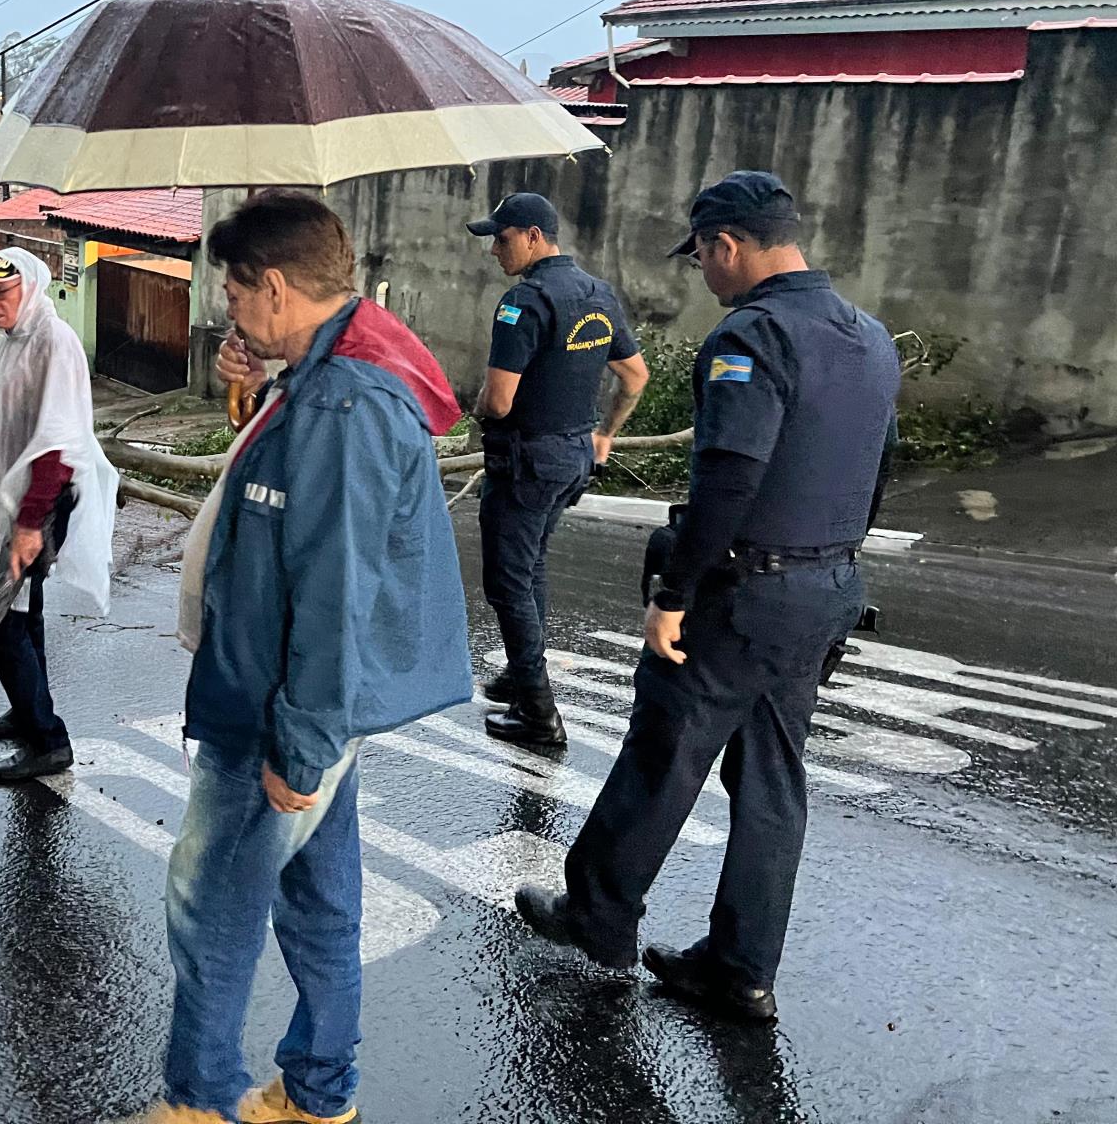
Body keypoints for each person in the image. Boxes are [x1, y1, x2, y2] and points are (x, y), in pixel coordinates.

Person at [117, 191, 472, 1124]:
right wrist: (261, 377)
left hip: (283, 700)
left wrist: (301, 742)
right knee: (317, 898)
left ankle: (197, 1102)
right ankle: (319, 1093)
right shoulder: (335, 362)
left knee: (212, 903)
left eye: (235, 291)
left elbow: (334, 587)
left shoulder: (345, 404)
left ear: (273, 285)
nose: (227, 308)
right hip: (305, 694)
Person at [514, 171, 900, 1024]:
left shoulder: (752, 338)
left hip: (744, 592)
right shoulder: (870, 336)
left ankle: (598, 917)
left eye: (702, 259)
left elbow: (730, 476)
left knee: (665, 750)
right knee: (773, 780)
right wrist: (830, 563)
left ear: (727, 245)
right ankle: (741, 968)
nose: (702, 274)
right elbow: (879, 468)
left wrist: (675, 593)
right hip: (826, 586)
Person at [466, 192, 648, 747]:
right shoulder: (597, 293)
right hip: (571, 459)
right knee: (533, 566)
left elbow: (498, 401)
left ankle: (539, 717)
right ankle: (524, 677)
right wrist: (605, 435)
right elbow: (635, 376)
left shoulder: (524, 302)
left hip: (526, 463)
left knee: (508, 583)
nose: (495, 251)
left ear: (533, 237)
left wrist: (473, 409)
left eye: (501, 239)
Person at [0, 248, 118, 785]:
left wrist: (30, 523)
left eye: (2, 294)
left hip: (38, 506)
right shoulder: (19, 340)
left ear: (29, 289)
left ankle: (47, 741)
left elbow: (57, 445)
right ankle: (27, 710)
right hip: (15, 506)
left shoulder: (54, 343)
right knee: (24, 612)